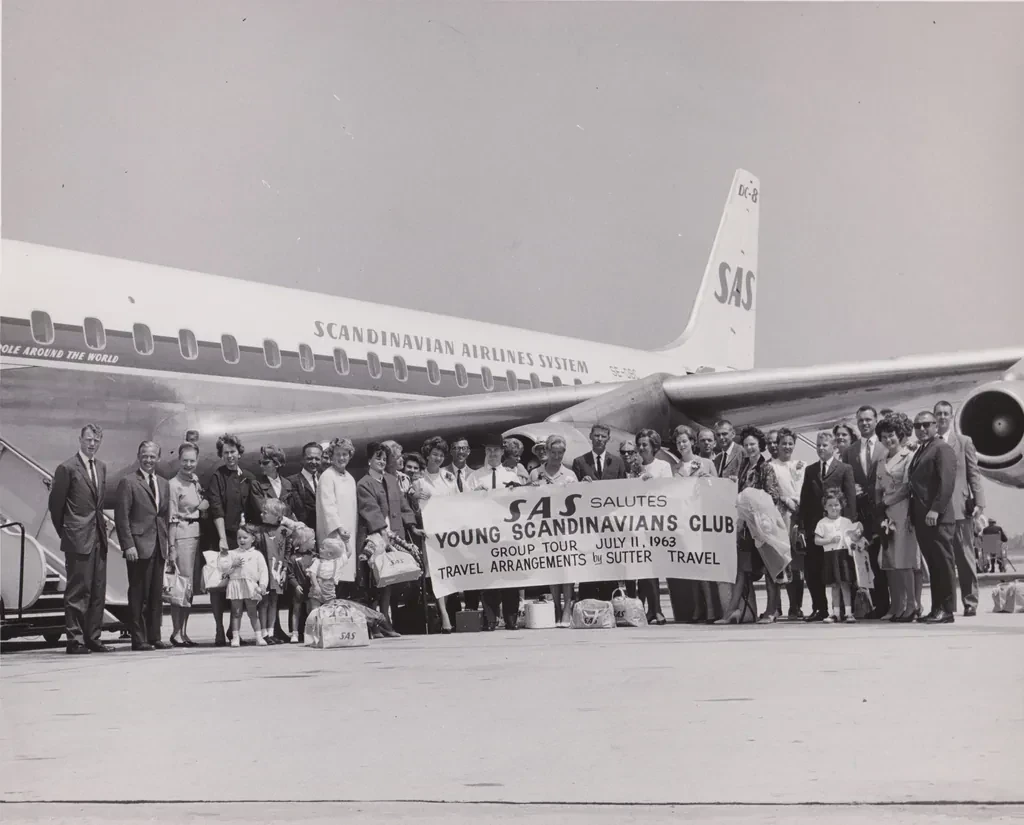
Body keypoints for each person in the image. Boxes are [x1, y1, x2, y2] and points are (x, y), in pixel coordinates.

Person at [47, 423, 111, 654]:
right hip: (78, 538)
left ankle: (93, 637)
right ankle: (75, 639)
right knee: (77, 591)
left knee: (97, 590)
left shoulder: (101, 467)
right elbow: (56, 506)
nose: (92, 444)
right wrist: (67, 533)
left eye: (96, 440)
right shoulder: (67, 468)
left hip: (98, 538)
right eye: (88, 439)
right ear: (80, 440)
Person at [113, 441, 172, 651]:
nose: (148, 460)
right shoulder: (128, 482)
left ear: (158, 458)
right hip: (138, 547)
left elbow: (163, 516)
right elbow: (122, 518)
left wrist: (167, 544)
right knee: (139, 594)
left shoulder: (163, 484)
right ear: (139, 456)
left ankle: (154, 636)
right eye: (145, 456)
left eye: (153, 456)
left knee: (156, 594)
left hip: (158, 545)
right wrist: (128, 545)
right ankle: (139, 638)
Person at [207, 433, 264, 646]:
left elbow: (254, 508)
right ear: (221, 455)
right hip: (223, 537)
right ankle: (219, 629)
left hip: (242, 539)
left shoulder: (248, 477)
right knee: (218, 585)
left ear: (239, 453)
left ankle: (234, 631)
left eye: (233, 452)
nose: (230, 456)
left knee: (238, 585)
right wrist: (222, 538)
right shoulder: (217, 476)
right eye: (225, 453)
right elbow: (216, 508)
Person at [719, 426, 780, 624]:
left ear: (760, 445)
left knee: (770, 570)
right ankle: (731, 611)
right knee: (742, 570)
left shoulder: (766, 467)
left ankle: (771, 611)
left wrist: (753, 502)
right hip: (746, 527)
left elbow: (773, 496)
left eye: (753, 444)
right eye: (746, 445)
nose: (749, 448)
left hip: (763, 527)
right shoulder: (743, 466)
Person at [934, 400, 986, 616]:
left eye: (946, 413)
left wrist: (980, 503)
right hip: (936, 510)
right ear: (934, 417)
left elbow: (974, 473)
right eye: (939, 414)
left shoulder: (964, 442)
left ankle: (970, 601)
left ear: (952, 415)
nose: (943, 417)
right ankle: (948, 604)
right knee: (943, 560)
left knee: (965, 558)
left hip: (960, 507)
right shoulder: (929, 443)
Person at [357, 442, 418, 623]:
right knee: (377, 582)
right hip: (375, 539)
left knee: (393, 581)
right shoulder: (364, 484)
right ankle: (378, 622)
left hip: (395, 536)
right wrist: (383, 534)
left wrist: (413, 526)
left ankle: (389, 620)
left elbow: (404, 506)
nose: (382, 462)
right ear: (369, 460)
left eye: (384, 458)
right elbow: (370, 510)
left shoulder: (391, 480)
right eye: (378, 458)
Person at [800, 431, 857, 622]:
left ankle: (844, 609)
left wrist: (850, 528)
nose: (820, 448)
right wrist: (802, 526)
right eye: (818, 445)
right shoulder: (810, 470)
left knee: (840, 572)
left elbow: (850, 499)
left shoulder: (844, 469)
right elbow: (805, 499)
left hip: (838, 531)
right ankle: (819, 608)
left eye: (824, 445)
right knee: (813, 570)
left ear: (833, 447)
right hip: (817, 529)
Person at [907, 411, 958, 623]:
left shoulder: (942, 449)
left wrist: (936, 509)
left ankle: (946, 609)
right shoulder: (923, 450)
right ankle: (937, 607)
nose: (921, 429)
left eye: (926, 424)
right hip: (922, 517)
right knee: (933, 564)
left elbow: (947, 483)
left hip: (937, 517)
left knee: (943, 563)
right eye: (917, 426)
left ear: (936, 426)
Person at [468, 438, 524, 629]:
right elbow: (464, 503)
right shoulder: (474, 477)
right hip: (485, 534)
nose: (492, 454)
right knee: (488, 575)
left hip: (507, 532)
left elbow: (523, 502)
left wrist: (516, 492)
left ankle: (511, 618)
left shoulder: (511, 475)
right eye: (489, 450)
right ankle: (490, 618)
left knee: (510, 575)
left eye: (496, 450)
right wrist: (474, 494)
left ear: (502, 453)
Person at [842, 406, 887, 618]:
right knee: (869, 562)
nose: (865, 424)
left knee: (888, 559)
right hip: (862, 513)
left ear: (875, 421)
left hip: (884, 509)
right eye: (861, 420)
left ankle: (898, 603)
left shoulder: (886, 445)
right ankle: (880, 605)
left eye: (868, 420)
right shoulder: (850, 452)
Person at [874, 414, 920, 622]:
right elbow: (877, 488)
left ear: (898, 435)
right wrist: (879, 507)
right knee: (891, 562)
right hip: (887, 517)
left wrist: (886, 502)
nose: (888, 440)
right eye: (884, 437)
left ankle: (912, 605)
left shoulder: (908, 457)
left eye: (891, 435)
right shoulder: (881, 461)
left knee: (905, 561)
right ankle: (899, 605)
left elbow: (907, 487)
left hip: (903, 513)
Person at [410, 436, 459, 632]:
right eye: (434, 454)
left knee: (448, 572)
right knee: (436, 573)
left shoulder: (449, 478)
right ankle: (444, 614)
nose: (438, 458)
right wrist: (414, 498)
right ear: (427, 455)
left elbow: (457, 502)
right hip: (429, 533)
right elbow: (413, 508)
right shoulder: (418, 480)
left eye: (441, 455)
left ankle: (447, 611)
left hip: (448, 532)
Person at [530, 434, 579, 626]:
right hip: (545, 529)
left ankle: (567, 606)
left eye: (561, 453)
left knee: (566, 568)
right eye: (554, 452)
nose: (557, 456)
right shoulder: (536, 474)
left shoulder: (569, 475)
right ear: (547, 452)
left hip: (565, 529)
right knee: (551, 567)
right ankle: (556, 607)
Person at [167, 442, 208, 647]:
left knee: (189, 587)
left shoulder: (194, 480)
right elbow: (172, 516)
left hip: (195, 533)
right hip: (182, 534)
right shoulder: (174, 485)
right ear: (179, 460)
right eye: (185, 461)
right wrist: (172, 547)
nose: (189, 464)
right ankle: (176, 632)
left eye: (192, 461)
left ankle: (183, 631)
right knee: (182, 585)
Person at [768, 428, 806, 619]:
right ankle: (776, 606)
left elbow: (804, 490)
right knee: (779, 562)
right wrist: (786, 500)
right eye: (783, 443)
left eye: (790, 443)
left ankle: (795, 606)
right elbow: (772, 492)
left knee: (797, 565)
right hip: (779, 517)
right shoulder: (770, 466)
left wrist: (798, 504)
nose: (787, 447)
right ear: (777, 445)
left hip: (797, 519)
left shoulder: (800, 465)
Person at [814, 491, 864, 623]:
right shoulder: (822, 523)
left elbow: (853, 537)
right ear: (825, 507)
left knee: (845, 584)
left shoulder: (846, 522)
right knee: (834, 586)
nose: (833, 508)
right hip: (830, 556)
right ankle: (835, 613)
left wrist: (857, 534)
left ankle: (848, 613)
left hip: (843, 556)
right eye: (830, 505)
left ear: (841, 506)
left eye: (836, 505)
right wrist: (829, 540)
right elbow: (816, 540)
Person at [316, 437, 358, 594]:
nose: (341, 458)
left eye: (345, 454)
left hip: (348, 534)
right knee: (333, 578)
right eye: (338, 454)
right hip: (334, 534)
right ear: (331, 456)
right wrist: (339, 528)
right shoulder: (327, 476)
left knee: (346, 576)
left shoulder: (350, 478)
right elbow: (328, 506)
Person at [218, 526, 269, 647]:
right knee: (236, 612)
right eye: (239, 537)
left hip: (250, 585)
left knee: (252, 612)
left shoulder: (257, 554)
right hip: (236, 585)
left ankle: (258, 636)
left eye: (245, 537)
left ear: (253, 539)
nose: (242, 540)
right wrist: (232, 565)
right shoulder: (232, 553)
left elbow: (263, 571)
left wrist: (262, 584)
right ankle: (235, 638)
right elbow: (223, 571)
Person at [287, 442, 322, 531]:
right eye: (309, 458)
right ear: (302, 459)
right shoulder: (291, 482)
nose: (314, 462)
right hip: (304, 533)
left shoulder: (324, 479)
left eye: (317, 459)